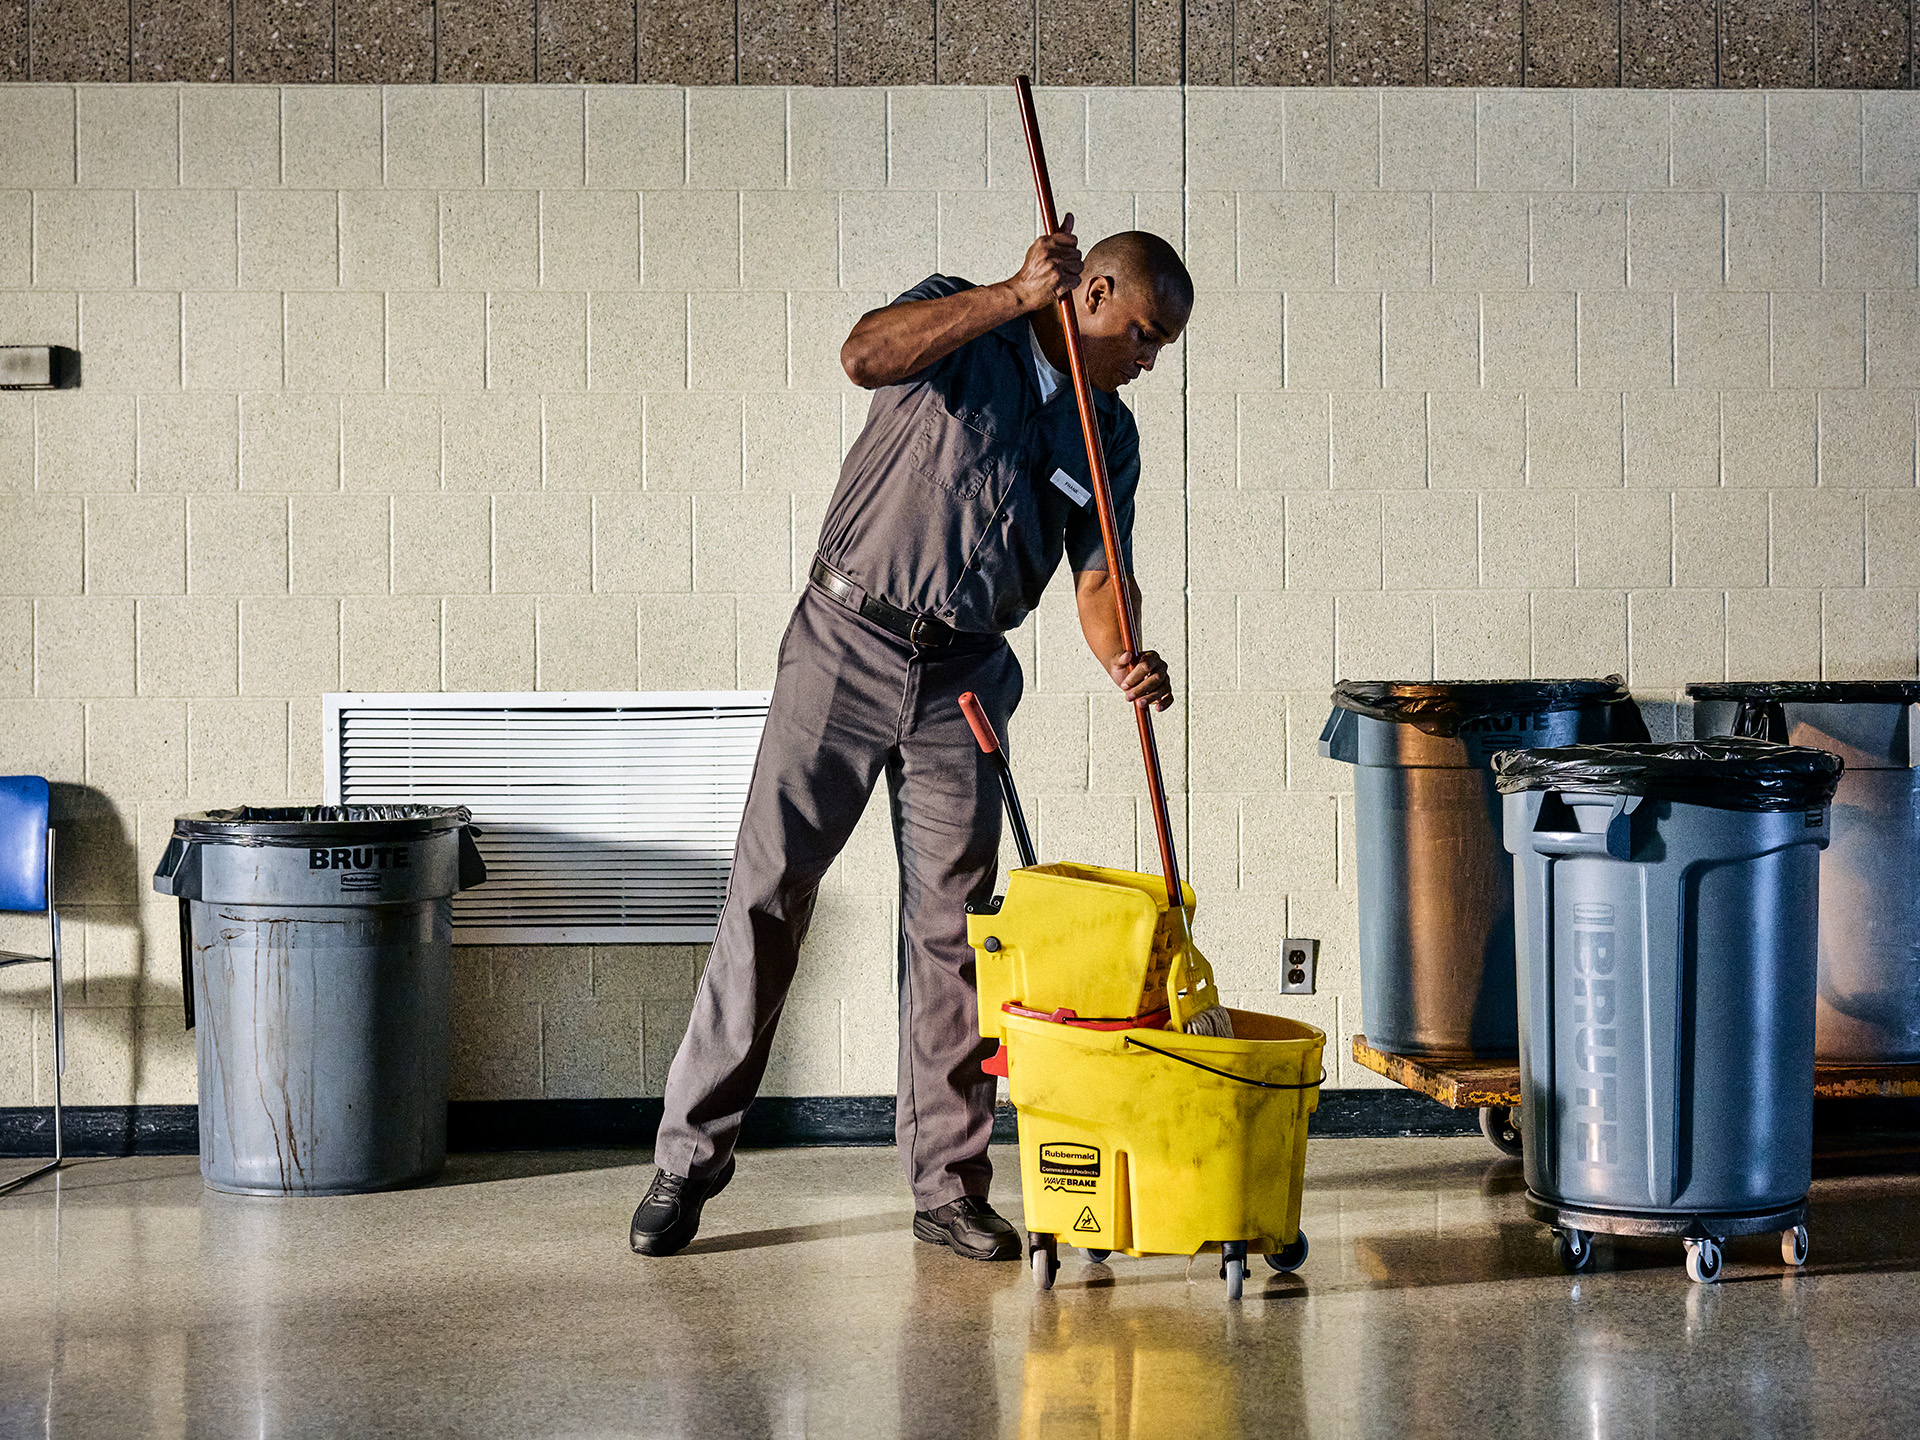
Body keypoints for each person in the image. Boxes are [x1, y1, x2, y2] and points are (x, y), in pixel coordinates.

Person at [630, 220, 1195, 1262]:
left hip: (965, 678)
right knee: (765, 897)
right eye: (1145, 335)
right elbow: (862, 355)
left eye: (1162, 349)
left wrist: (1126, 656)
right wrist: (1011, 294)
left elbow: (1100, 575)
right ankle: (684, 1165)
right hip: (844, 641)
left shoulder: (1106, 433)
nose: (1149, 362)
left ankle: (947, 1187)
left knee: (954, 935)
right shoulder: (962, 322)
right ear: (1097, 290)